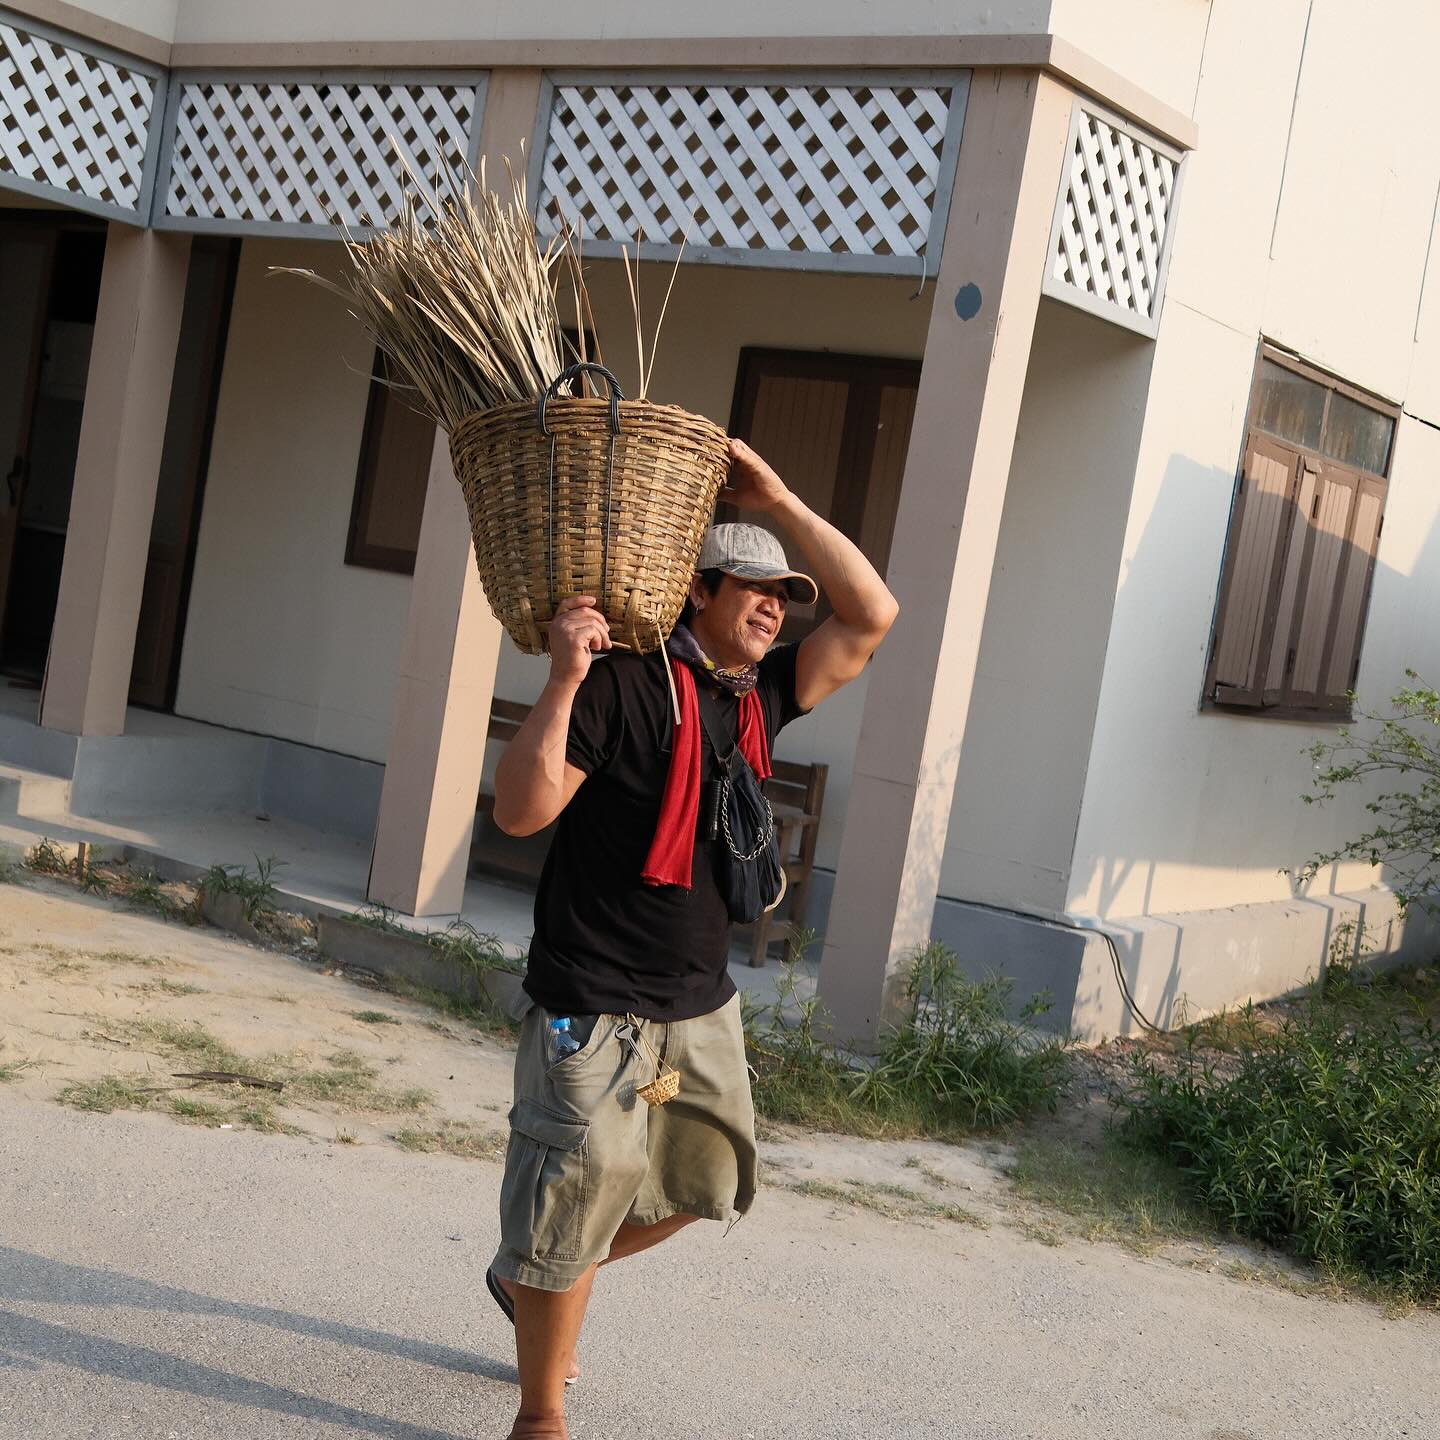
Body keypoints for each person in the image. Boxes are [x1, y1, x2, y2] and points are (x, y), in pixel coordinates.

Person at [486, 437, 899, 1440]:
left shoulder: (758, 699)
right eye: (752, 586)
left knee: (706, 1185)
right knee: (575, 1195)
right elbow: (520, 813)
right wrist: (561, 680)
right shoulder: (622, 687)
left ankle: (536, 1275)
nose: (773, 605)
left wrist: (783, 499)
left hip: (697, 1000)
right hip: (591, 997)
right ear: (698, 590)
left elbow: (872, 615)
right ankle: (541, 1412)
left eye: (781, 594)